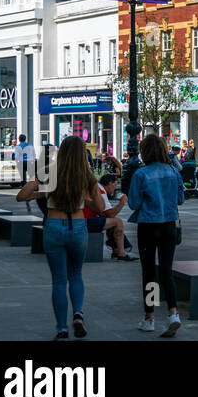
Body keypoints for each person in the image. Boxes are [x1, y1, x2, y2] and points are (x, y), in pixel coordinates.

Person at [16, 135, 102, 339]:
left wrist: (42, 193)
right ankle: (78, 315)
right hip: (78, 226)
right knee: (76, 274)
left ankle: (62, 328)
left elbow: (22, 195)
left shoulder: (49, 171)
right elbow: (100, 207)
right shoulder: (86, 175)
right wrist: (84, 199)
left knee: (59, 280)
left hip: (54, 225)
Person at [128, 134, 185, 337]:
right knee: (167, 271)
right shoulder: (173, 171)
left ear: (144, 152)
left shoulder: (141, 175)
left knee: (149, 272)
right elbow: (181, 199)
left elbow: (133, 203)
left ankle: (149, 318)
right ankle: (173, 314)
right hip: (169, 225)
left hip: (148, 226)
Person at [85, 173, 136, 260]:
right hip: (85, 222)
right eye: (115, 185)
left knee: (110, 221)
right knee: (117, 221)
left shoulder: (97, 188)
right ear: (109, 183)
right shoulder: (100, 191)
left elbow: (105, 213)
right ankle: (121, 253)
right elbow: (110, 214)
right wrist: (122, 202)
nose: (115, 188)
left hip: (82, 220)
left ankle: (116, 250)